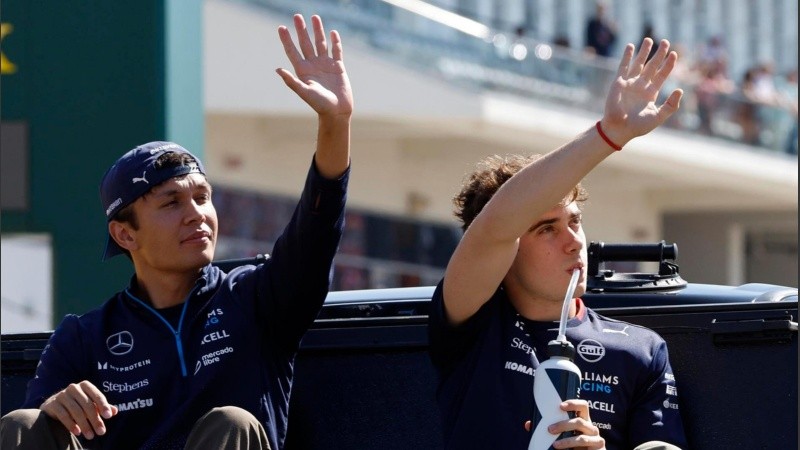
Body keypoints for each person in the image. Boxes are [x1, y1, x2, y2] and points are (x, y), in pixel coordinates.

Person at [0, 13, 353, 450]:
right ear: (124, 234)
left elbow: (317, 232)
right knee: (21, 422)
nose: (197, 214)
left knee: (232, 423)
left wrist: (335, 123)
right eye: (171, 203)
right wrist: (57, 404)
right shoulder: (83, 338)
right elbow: (35, 432)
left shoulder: (256, 300)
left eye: (202, 197)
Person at [428, 38, 688, 450]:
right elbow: (495, 226)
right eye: (546, 228)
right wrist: (608, 135)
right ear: (508, 250)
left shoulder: (640, 349)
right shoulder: (473, 320)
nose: (573, 242)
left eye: (575, 222)